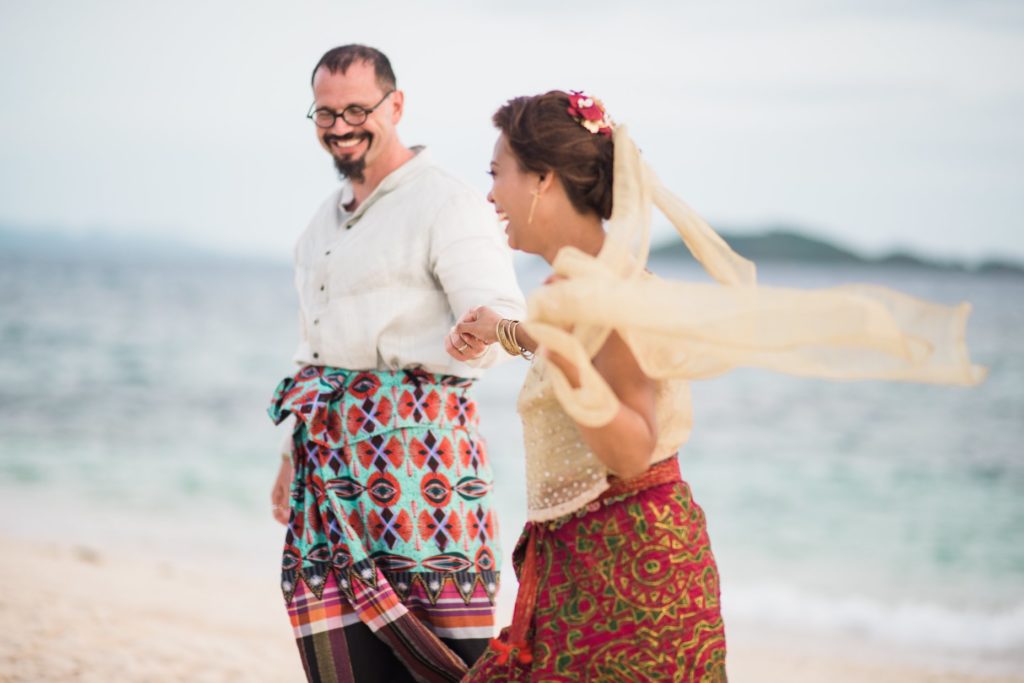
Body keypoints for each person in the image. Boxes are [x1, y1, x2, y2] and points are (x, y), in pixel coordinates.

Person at [448, 90, 985, 682]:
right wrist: (503, 331)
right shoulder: (587, 286)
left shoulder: (602, 294)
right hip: (594, 566)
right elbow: (569, 344)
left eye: (497, 174)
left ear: (543, 179)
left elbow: (631, 448)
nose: (491, 195)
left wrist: (571, 360)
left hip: (626, 576)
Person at [266, 45, 525, 683]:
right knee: (341, 658)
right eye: (325, 113)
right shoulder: (321, 224)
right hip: (326, 463)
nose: (341, 126)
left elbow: (499, 312)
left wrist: (479, 338)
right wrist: (291, 455)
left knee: (448, 659)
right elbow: (316, 350)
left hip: (424, 465)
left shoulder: (446, 202)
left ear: (396, 105)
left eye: (357, 109)